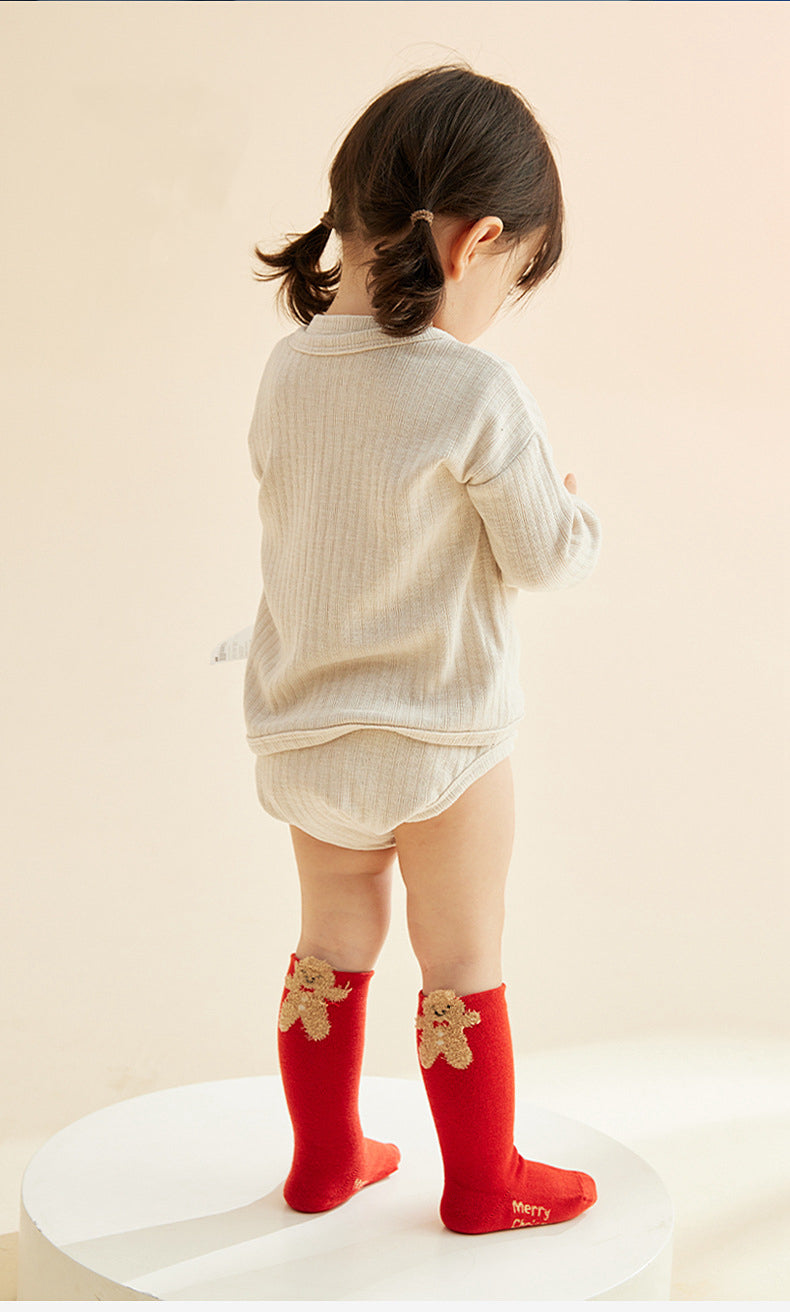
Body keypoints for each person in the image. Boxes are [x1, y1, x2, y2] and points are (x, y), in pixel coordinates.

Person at [243, 63, 602, 1235]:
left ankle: (324, 1158)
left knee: (328, 946)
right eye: (513, 276)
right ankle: (482, 1182)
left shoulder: (287, 370)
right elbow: (543, 557)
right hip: (443, 740)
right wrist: (570, 504)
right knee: (460, 964)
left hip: (306, 736)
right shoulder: (474, 388)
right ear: (478, 240)